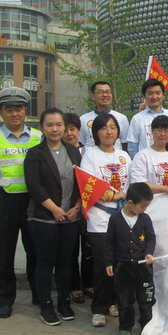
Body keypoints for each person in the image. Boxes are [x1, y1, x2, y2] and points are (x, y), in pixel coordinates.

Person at [0, 87, 42, 319]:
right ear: (1, 112)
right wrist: (1, 186)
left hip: (33, 202)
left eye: (19, 109)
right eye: (9, 109)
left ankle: (39, 295)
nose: (15, 114)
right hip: (5, 201)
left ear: (25, 111)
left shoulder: (38, 137)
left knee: (35, 250)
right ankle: (4, 300)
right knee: (4, 252)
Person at [25, 108, 82, 325]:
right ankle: (46, 305)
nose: (55, 129)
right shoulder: (35, 153)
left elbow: (82, 182)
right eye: (49, 125)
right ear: (42, 127)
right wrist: (55, 209)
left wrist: (76, 207)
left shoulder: (73, 151)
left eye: (59, 124)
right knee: (45, 262)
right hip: (44, 218)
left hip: (70, 218)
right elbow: (34, 186)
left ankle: (64, 302)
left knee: (66, 262)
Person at [80, 113, 132, 327]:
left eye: (112, 127)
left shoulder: (124, 156)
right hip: (99, 217)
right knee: (103, 264)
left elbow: (131, 183)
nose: (109, 132)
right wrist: (114, 196)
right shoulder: (90, 155)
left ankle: (114, 302)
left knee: (120, 263)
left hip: (122, 218)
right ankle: (99, 308)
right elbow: (89, 183)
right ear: (96, 132)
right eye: (103, 128)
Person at [105, 182, 156, 335]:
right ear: (130, 202)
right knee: (124, 299)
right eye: (143, 206)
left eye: (147, 206)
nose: (144, 210)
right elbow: (109, 242)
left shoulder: (145, 219)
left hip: (143, 266)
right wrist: (109, 262)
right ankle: (125, 327)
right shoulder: (115, 218)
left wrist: (148, 253)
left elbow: (151, 238)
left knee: (146, 298)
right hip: (123, 266)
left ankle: (146, 325)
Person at [64, 113, 94, 303]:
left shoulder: (89, 152)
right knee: (71, 249)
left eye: (73, 129)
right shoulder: (59, 152)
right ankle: (74, 286)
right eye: (65, 129)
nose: (69, 133)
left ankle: (89, 283)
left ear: (79, 130)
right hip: (69, 207)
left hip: (89, 207)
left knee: (89, 249)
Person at [131, 115, 168, 195]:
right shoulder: (142, 156)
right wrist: (164, 188)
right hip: (153, 202)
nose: (163, 134)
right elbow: (138, 184)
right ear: (152, 131)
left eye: (167, 131)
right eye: (159, 130)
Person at [127, 79, 168, 158]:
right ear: (144, 95)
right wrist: (138, 161)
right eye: (150, 93)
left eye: (158, 93)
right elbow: (132, 146)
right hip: (147, 162)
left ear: (163, 94)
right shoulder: (137, 118)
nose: (154, 97)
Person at [79, 81, 130, 150]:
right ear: (93, 96)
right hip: (91, 155)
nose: (105, 95)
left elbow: (125, 144)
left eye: (108, 92)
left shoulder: (121, 118)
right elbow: (81, 143)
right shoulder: (83, 119)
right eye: (100, 92)